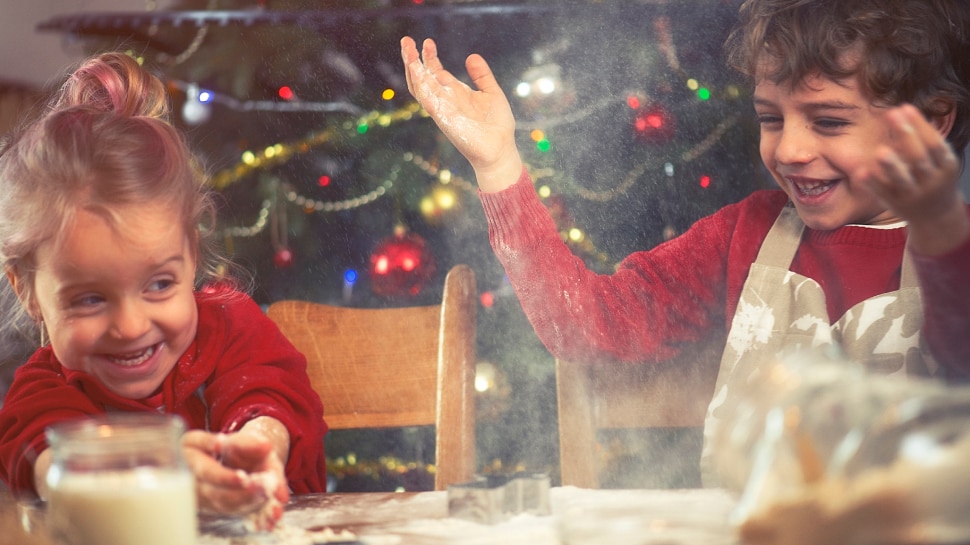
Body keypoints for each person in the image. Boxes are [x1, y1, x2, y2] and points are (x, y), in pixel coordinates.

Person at [402, 0, 970, 485]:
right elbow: (586, 326)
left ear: (931, 120)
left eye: (828, 121)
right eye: (771, 118)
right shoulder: (745, 234)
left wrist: (943, 234)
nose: (790, 149)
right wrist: (500, 166)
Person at [0, 52, 327, 529]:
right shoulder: (40, 396)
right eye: (90, 298)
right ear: (27, 290)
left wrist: (254, 448)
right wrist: (160, 473)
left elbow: (268, 395)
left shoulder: (231, 327)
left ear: (192, 254)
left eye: (159, 284)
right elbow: (55, 467)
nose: (131, 326)